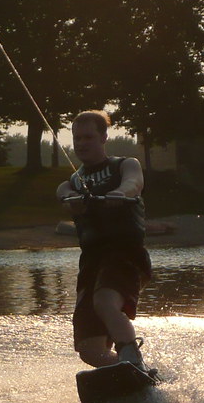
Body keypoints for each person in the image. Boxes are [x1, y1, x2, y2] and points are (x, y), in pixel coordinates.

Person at [56, 110, 154, 375]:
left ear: (103, 137)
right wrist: (70, 200)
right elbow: (64, 197)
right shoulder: (71, 183)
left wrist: (120, 193)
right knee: (89, 349)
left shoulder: (125, 165)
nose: (81, 143)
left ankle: (131, 358)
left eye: (88, 137)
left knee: (105, 302)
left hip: (125, 254)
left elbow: (134, 183)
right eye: (77, 138)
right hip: (92, 262)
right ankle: (134, 373)